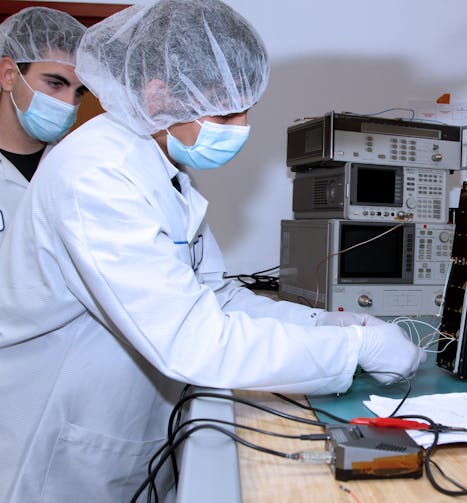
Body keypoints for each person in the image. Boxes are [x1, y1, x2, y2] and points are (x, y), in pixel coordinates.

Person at [0, 1, 423, 501]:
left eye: (246, 109)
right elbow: (193, 339)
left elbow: (214, 295)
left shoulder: (156, 165)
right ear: (158, 96)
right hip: (62, 437)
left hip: (125, 419)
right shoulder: (96, 173)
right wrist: (355, 350)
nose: (240, 127)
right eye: (226, 111)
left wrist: (326, 325)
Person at [0, 7, 86, 245]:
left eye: (79, 92)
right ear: (9, 75)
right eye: (55, 84)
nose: (69, 104)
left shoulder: (81, 167)